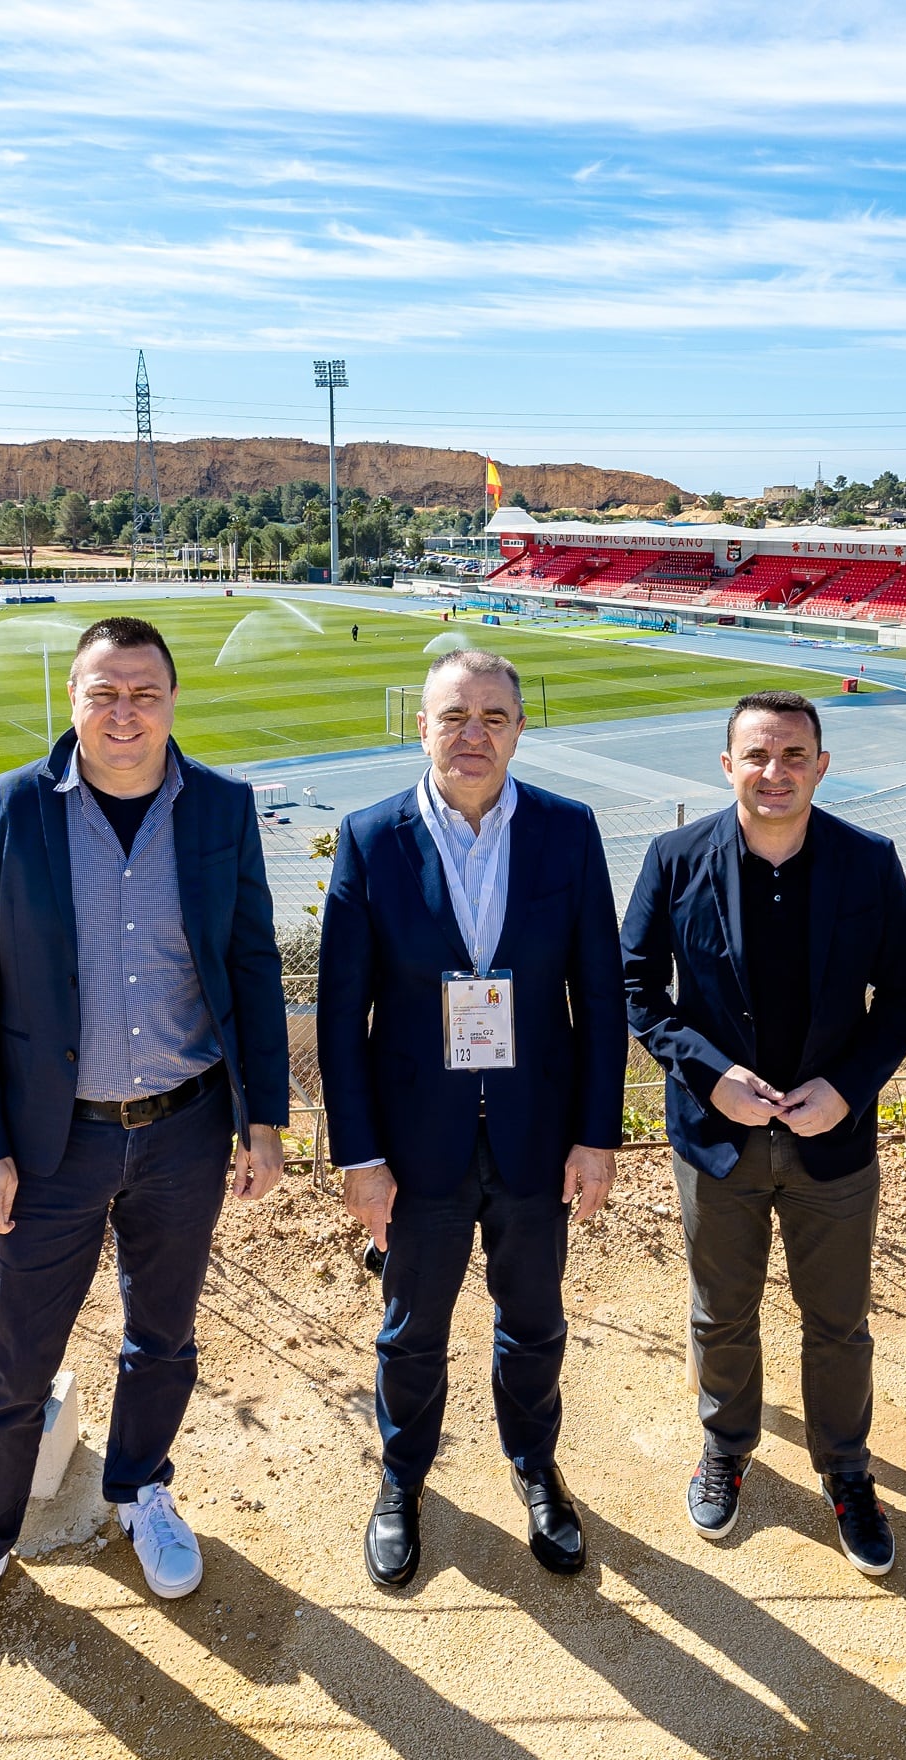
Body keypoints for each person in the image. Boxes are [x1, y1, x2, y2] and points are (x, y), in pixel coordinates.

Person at [0, 615, 291, 1679]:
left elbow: (252, 967)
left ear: (172, 702)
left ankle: (139, 1489)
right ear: (72, 700)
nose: (123, 714)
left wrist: (260, 1118)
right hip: (48, 1148)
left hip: (183, 1129)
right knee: (14, 1363)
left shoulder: (220, 807)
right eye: (103, 693)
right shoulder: (2, 814)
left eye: (145, 694)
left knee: (164, 1337)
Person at [317, 648, 624, 1590]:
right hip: (417, 1148)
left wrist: (598, 1133)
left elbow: (601, 1000)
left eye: (494, 716)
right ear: (421, 727)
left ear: (521, 729)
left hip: (536, 1136)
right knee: (411, 1330)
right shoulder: (370, 838)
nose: (474, 734)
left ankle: (535, 1467)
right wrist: (361, 1154)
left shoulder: (569, 834)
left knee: (533, 1322)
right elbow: (340, 1015)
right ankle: (402, 1479)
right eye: (454, 715)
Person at [621, 691, 906, 1569]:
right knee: (723, 1311)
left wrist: (848, 1084)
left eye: (794, 754)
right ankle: (726, 1447)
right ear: (727, 765)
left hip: (834, 1138)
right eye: (757, 754)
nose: (775, 771)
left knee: (839, 1320)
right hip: (718, 1141)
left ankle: (846, 1470)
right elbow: (638, 986)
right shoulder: (676, 858)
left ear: (822, 766)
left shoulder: (869, 862)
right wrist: (710, 1076)